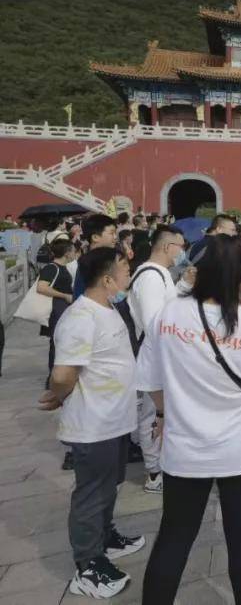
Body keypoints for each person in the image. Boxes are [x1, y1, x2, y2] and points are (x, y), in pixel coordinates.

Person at [136, 235, 241, 605]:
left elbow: (149, 380)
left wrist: (165, 413)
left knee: (174, 536)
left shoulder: (169, 315)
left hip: (183, 450)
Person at [38, 248, 145, 599]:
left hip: (115, 420)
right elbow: (64, 373)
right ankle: (87, 564)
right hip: (94, 424)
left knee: (109, 485)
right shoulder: (81, 317)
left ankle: (105, 536)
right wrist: (60, 394)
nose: (130, 274)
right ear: (107, 279)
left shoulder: (108, 307)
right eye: (126, 269)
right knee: (91, 493)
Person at [127, 225, 189, 493]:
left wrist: (185, 284)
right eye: (181, 246)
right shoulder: (150, 277)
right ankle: (154, 472)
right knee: (153, 413)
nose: (182, 252)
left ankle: (163, 464)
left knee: (162, 412)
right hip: (157, 356)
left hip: (165, 354)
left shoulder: (161, 273)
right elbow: (155, 324)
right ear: (167, 247)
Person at [37, 238, 76, 381]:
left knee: (61, 342)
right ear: (66, 253)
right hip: (56, 309)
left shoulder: (63, 268)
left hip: (62, 308)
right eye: (72, 250)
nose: (74, 253)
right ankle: (53, 377)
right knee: (56, 342)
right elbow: (41, 287)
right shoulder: (52, 268)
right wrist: (64, 295)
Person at [73, 214, 118, 298]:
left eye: (115, 233)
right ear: (95, 237)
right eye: (112, 233)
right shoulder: (89, 263)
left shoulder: (106, 258)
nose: (115, 237)